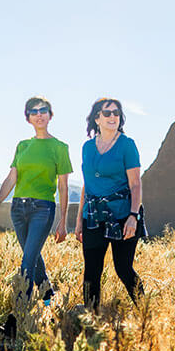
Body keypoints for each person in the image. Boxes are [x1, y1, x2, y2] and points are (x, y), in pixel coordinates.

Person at [0, 96, 72, 303]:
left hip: (42, 209)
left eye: (43, 110)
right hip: (18, 208)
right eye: (33, 112)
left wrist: (63, 221)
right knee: (32, 256)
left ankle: (19, 313)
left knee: (27, 260)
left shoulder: (60, 148)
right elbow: (12, 177)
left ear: (50, 115)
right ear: (28, 119)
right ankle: (48, 298)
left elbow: (63, 186)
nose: (39, 115)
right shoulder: (22, 146)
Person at [75, 97, 145, 312]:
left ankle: (146, 312)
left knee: (123, 269)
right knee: (91, 272)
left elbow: (135, 184)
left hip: (123, 216)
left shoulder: (127, 145)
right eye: (107, 113)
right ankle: (90, 318)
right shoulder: (87, 147)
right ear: (97, 118)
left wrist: (133, 216)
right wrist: (79, 221)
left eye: (116, 113)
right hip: (93, 217)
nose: (113, 116)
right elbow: (87, 186)